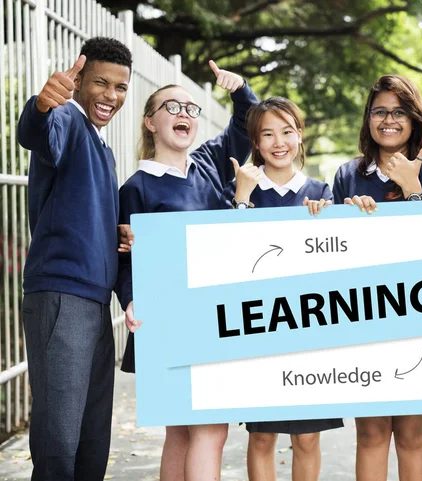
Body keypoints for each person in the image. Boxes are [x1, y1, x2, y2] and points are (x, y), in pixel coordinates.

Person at [115, 61, 258, 481]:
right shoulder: (135, 188)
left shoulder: (210, 164)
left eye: (191, 109)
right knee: (200, 432)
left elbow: (244, 124)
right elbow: (125, 258)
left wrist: (239, 89)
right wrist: (130, 298)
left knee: (188, 433)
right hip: (169, 321)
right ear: (150, 121)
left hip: (213, 315)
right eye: (172, 106)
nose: (184, 114)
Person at [16, 37, 132, 481]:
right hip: (61, 295)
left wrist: (118, 231)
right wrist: (42, 106)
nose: (110, 96)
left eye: (120, 87)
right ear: (78, 80)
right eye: (101, 83)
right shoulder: (65, 118)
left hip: (94, 301)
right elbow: (36, 133)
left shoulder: (102, 146)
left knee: (90, 437)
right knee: (59, 439)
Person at [332, 74, 422, 481]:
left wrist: (412, 188)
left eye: (398, 112)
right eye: (379, 111)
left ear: (414, 118)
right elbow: (329, 250)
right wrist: (348, 215)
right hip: (362, 318)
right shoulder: (348, 175)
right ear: (368, 119)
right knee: (369, 432)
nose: (388, 120)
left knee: (411, 433)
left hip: (416, 317)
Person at [231, 97, 342, 481]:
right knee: (262, 436)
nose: (279, 142)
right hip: (260, 328)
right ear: (256, 143)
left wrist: (326, 221)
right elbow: (230, 258)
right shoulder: (242, 190)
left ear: (299, 136)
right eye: (268, 134)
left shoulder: (321, 191)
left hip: (310, 329)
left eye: (287, 132)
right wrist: (241, 200)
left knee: (308, 438)